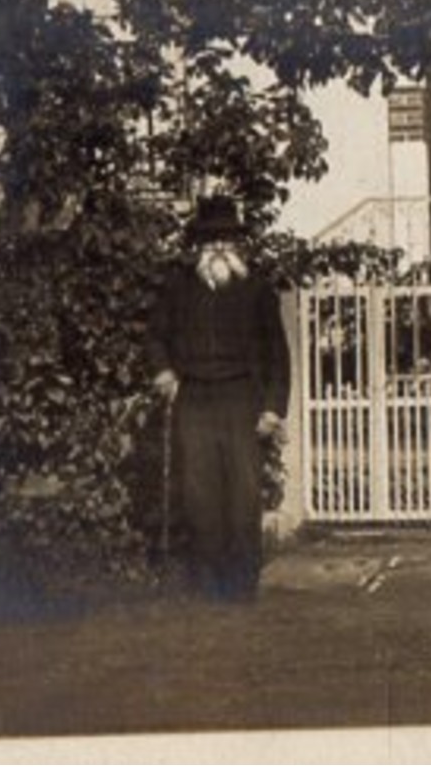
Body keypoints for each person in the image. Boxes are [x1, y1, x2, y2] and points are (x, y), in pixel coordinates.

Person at [147, 195, 290, 602]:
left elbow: (278, 354)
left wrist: (272, 408)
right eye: (211, 240)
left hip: (241, 398)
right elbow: (155, 336)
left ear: (237, 244)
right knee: (199, 495)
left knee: (243, 495)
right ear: (198, 247)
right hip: (194, 398)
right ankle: (207, 588)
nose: (219, 248)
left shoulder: (257, 289)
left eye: (226, 239)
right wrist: (163, 371)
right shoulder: (177, 287)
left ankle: (241, 588)